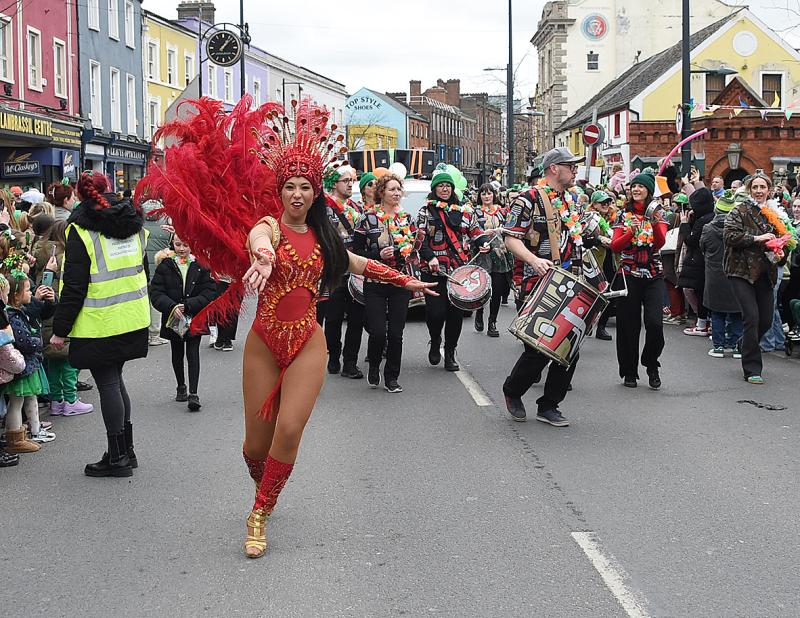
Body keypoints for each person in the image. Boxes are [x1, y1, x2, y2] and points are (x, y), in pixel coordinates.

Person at [137, 96, 436, 559]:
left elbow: (360, 263)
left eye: (305, 187)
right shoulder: (269, 226)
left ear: (316, 192)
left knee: (290, 428)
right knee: (254, 447)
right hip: (263, 344)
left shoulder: (326, 238)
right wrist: (262, 255)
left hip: (307, 344)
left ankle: (259, 513)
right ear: (280, 191)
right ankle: (267, 482)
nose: (297, 194)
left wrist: (406, 279)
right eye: (289, 186)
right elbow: (261, 239)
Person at [50, 171, 150, 477]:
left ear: (80, 195)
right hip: (133, 318)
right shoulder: (134, 225)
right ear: (109, 189)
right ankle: (126, 451)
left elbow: (74, 286)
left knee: (108, 383)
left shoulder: (80, 231)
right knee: (116, 381)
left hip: (100, 323)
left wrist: (59, 330)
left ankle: (117, 457)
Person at [501, 147, 589, 426]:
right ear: (554, 169)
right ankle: (512, 391)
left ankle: (549, 405)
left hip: (570, 282)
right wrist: (533, 259)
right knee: (538, 348)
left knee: (569, 347)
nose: (575, 170)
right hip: (539, 282)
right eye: (570, 165)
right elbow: (510, 238)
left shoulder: (571, 202)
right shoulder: (527, 199)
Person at [724, 173, 797, 384]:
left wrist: (780, 251)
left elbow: (785, 242)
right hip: (740, 271)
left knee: (765, 319)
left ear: (769, 189)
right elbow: (729, 236)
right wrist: (757, 238)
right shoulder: (740, 210)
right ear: (749, 190)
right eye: (754, 187)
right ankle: (752, 368)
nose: (758, 191)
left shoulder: (777, 213)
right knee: (752, 317)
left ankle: (744, 342)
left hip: (766, 271)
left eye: (762, 187)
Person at [416, 171, 488, 371]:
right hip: (434, 270)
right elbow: (418, 240)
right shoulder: (425, 211)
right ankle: (435, 338)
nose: (445, 189)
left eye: (448, 186)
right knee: (435, 313)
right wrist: (430, 257)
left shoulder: (464, 211)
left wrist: (483, 243)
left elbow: (475, 231)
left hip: (459, 271)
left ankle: (450, 353)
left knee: (456, 314)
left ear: (452, 189)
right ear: (434, 189)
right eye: (441, 186)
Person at [352, 173, 416, 391]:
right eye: (391, 189)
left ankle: (392, 377)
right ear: (381, 193)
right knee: (378, 331)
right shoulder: (367, 218)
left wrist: (413, 254)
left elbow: (415, 248)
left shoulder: (406, 218)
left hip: (400, 283)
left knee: (396, 334)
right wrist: (378, 254)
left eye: (399, 189)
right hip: (375, 282)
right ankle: (374, 365)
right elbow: (355, 251)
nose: (396, 193)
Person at [610, 173, 668, 389]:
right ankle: (629, 371)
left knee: (655, 324)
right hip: (628, 274)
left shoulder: (658, 213)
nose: (636, 189)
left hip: (653, 275)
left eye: (641, 187)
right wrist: (630, 233)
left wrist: (652, 225)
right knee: (628, 326)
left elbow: (659, 243)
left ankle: (651, 364)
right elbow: (616, 246)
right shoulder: (622, 214)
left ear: (648, 190)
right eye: (633, 186)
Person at [150, 235, 216, 411]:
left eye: (185, 245)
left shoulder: (201, 265)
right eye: (178, 244)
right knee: (177, 352)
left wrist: (188, 305)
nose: (181, 248)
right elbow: (156, 292)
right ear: (172, 243)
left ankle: (193, 393)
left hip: (194, 316)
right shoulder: (165, 265)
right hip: (173, 317)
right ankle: (181, 386)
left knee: (193, 353)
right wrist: (171, 306)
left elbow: (209, 292)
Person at [318, 164, 365, 378]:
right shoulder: (323, 208)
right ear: (333, 183)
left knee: (357, 319)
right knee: (334, 319)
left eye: (351, 180)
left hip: (356, 273)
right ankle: (334, 355)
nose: (350, 184)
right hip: (335, 273)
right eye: (345, 180)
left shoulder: (357, 207)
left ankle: (350, 362)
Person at [3, 270, 56, 449]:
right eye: (27, 290)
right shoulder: (13, 315)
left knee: (30, 398)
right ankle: (15, 437)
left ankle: (34, 429)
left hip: (28, 364)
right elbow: (23, 341)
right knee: (17, 402)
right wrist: (37, 341)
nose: (31, 293)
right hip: (21, 365)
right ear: (16, 295)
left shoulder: (21, 311)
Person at [700, 191, 743, 358]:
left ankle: (718, 347)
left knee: (716, 311)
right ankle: (736, 346)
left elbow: (702, 247)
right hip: (735, 273)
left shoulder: (707, 228)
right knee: (737, 312)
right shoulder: (738, 229)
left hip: (714, 274)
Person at [473, 183, 514, 337]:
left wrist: (499, 230)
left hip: (500, 253)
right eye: (483, 193)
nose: (487, 196)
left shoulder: (503, 211)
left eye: (489, 193)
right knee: (482, 286)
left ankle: (492, 321)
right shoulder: (475, 212)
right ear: (480, 196)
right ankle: (479, 310)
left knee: (497, 289)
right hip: (482, 254)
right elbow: (471, 232)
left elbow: (511, 228)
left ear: (494, 195)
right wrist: (483, 235)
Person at [678, 188, 715, 336]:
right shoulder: (708, 217)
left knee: (699, 292)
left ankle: (702, 324)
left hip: (699, 261)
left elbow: (691, 240)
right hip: (704, 261)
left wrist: (684, 224)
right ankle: (705, 323)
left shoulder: (703, 221)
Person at [586, 190, 617, 340]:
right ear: (594, 204)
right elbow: (584, 238)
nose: (606, 205)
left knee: (608, 294)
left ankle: (602, 328)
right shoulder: (589, 217)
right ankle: (587, 325)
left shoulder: (615, 218)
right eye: (602, 202)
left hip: (611, 261)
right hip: (594, 261)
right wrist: (599, 239)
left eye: (608, 202)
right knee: (591, 295)